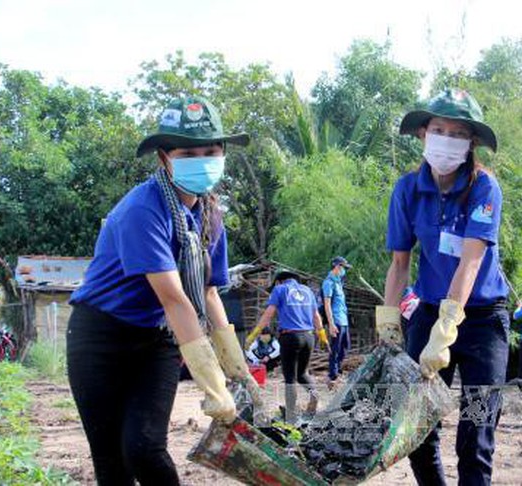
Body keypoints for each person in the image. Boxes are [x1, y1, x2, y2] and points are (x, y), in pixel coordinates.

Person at [67, 96, 264, 485]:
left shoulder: (210, 215)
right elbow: (175, 298)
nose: (202, 159)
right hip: (99, 338)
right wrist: (210, 381)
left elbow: (208, 293)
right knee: (112, 462)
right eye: (188, 152)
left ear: (223, 153)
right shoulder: (143, 210)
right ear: (164, 158)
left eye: (210, 150)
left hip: (157, 340)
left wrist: (235, 368)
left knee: (143, 448)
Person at [375, 88, 509, 485]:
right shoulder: (407, 190)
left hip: (483, 321)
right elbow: (400, 264)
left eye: (458, 133)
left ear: (471, 143)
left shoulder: (484, 188)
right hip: (428, 310)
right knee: (416, 430)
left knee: (477, 431)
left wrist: (447, 330)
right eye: (438, 129)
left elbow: (470, 261)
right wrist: (387, 326)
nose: (446, 140)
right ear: (422, 135)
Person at [247, 269, 329, 423]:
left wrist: (254, 334)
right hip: (309, 337)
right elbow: (316, 316)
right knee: (302, 374)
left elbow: (268, 314)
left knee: (290, 378)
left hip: (290, 337)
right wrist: (322, 335)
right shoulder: (308, 291)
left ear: (279, 281)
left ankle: (290, 417)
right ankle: (314, 394)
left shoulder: (280, 289)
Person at [323, 256, 352, 385]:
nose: (344, 270)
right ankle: (332, 375)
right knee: (335, 348)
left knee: (345, 347)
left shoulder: (339, 283)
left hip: (344, 319)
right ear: (337, 266)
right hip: (336, 320)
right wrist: (331, 323)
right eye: (344, 267)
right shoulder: (328, 282)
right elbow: (327, 304)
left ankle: (338, 371)